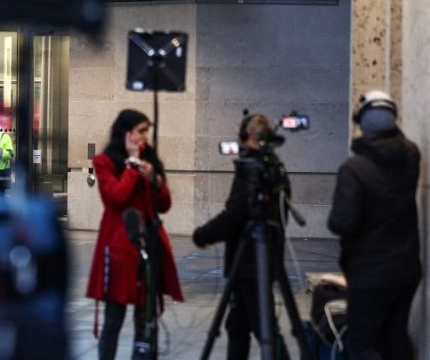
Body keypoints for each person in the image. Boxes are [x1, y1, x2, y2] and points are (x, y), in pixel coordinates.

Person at [328, 90, 421, 360]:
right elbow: (399, 143)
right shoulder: (412, 155)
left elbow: (341, 223)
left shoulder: (354, 168)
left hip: (369, 274)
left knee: (364, 344)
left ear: (361, 123)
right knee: (396, 338)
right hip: (406, 269)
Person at [192, 113, 291, 360]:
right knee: (237, 326)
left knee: (264, 327)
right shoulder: (276, 170)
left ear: (248, 138)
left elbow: (235, 214)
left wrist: (203, 235)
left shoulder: (254, 172)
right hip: (261, 260)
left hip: (248, 265)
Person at [86, 109, 183, 360]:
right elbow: (115, 198)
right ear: (126, 133)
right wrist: (131, 166)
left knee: (145, 317)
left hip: (147, 246)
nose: (144, 137)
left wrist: (155, 181)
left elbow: (164, 205)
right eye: (140, 131)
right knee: (113, 319)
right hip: (119, 248)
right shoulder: (104, 161)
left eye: (146, 131)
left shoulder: (149, 158)